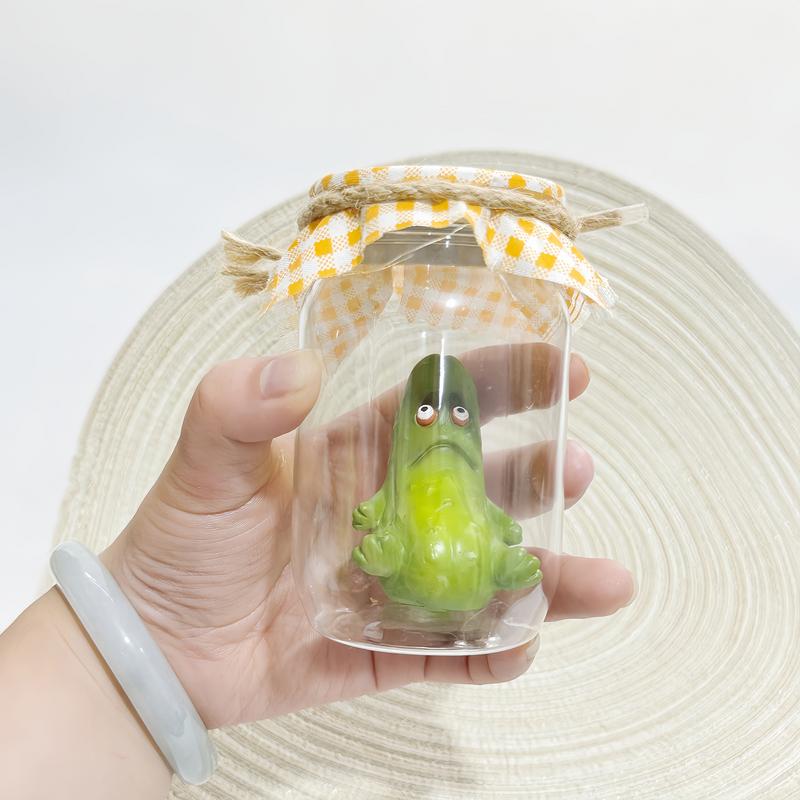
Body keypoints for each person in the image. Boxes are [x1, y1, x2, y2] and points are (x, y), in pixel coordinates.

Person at [0, 349, 634, 799]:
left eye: (454, 417)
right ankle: (415, 559)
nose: (444, 425)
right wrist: (378, 530)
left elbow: (489, 511)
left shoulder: (463, 475)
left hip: (473, 561)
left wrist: (499, 540)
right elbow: (383, 500)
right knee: (396, 545)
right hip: (400, 555)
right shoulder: (404, 469)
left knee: (497, 549)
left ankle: (492, 565)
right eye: (427, 415)